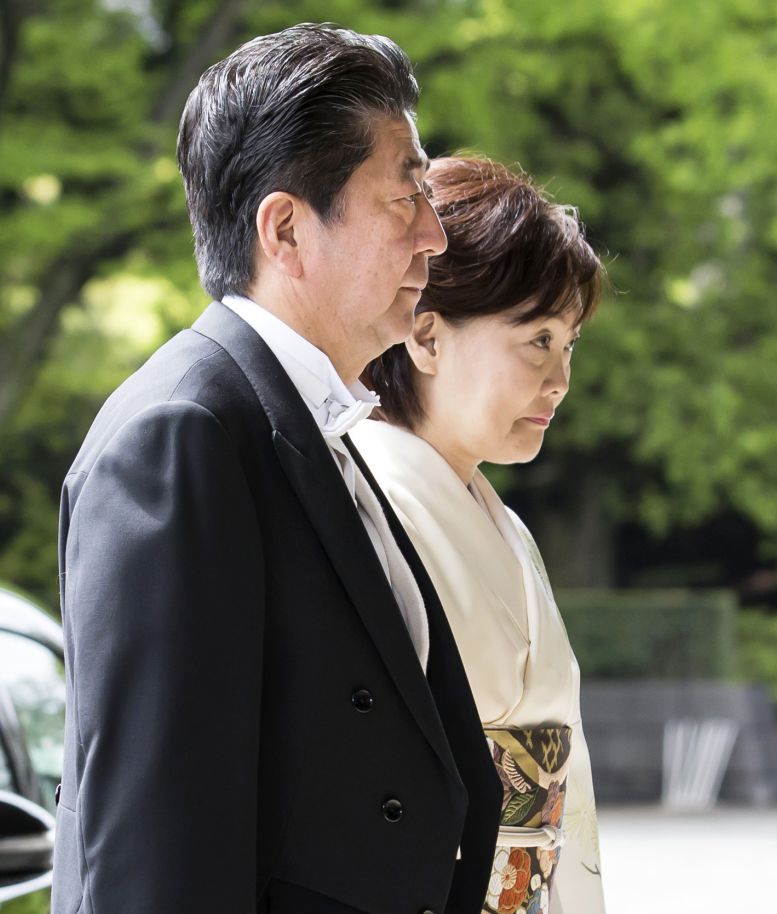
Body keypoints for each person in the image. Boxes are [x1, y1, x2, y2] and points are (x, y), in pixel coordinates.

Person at [54, 25, 499, 914]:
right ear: (287, 229)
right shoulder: (181, 436)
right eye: (405, 196)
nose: (436, 237)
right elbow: (155, 843)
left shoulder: (305, 418)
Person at [356, 156, 607, 914]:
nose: (559, 378)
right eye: (536, 339)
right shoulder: (364, 504)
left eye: (569, 345)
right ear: (426, 338)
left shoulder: (508, 527)